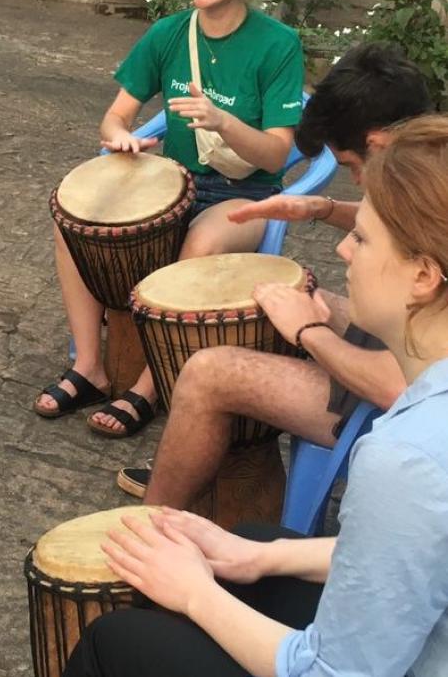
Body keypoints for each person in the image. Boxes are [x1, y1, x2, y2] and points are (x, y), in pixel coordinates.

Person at [65, 113, 448, 677]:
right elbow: (411, 557)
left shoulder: (407, 459)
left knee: (113, 640)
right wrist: (260, 557)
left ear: (424, 276)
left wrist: (196, 594)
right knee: (248, 544)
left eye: (363, 237)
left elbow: (333, 673)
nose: (343, 251)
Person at [36, 0, 306, 438]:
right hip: (177, 182)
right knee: (73, 223)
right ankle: (89, 365)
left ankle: (148, 387)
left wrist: (222, 121)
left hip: (246, 195)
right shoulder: (167, 34)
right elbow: (115, 115)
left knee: (203, 239)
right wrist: (122, 138)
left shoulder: (278, 45)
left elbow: (276, 156)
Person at [119, 42, 431, 501]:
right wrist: (320, 208)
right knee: (270, 297)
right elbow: (388, 221)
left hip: (402, 409)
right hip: (401, 352)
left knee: (209, 373)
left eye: (349, 167)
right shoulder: (430, 174)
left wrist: (308, 331)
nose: (358, 182)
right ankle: (199, 462)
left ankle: (154, 520)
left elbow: (396, 386)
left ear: (379, 143)